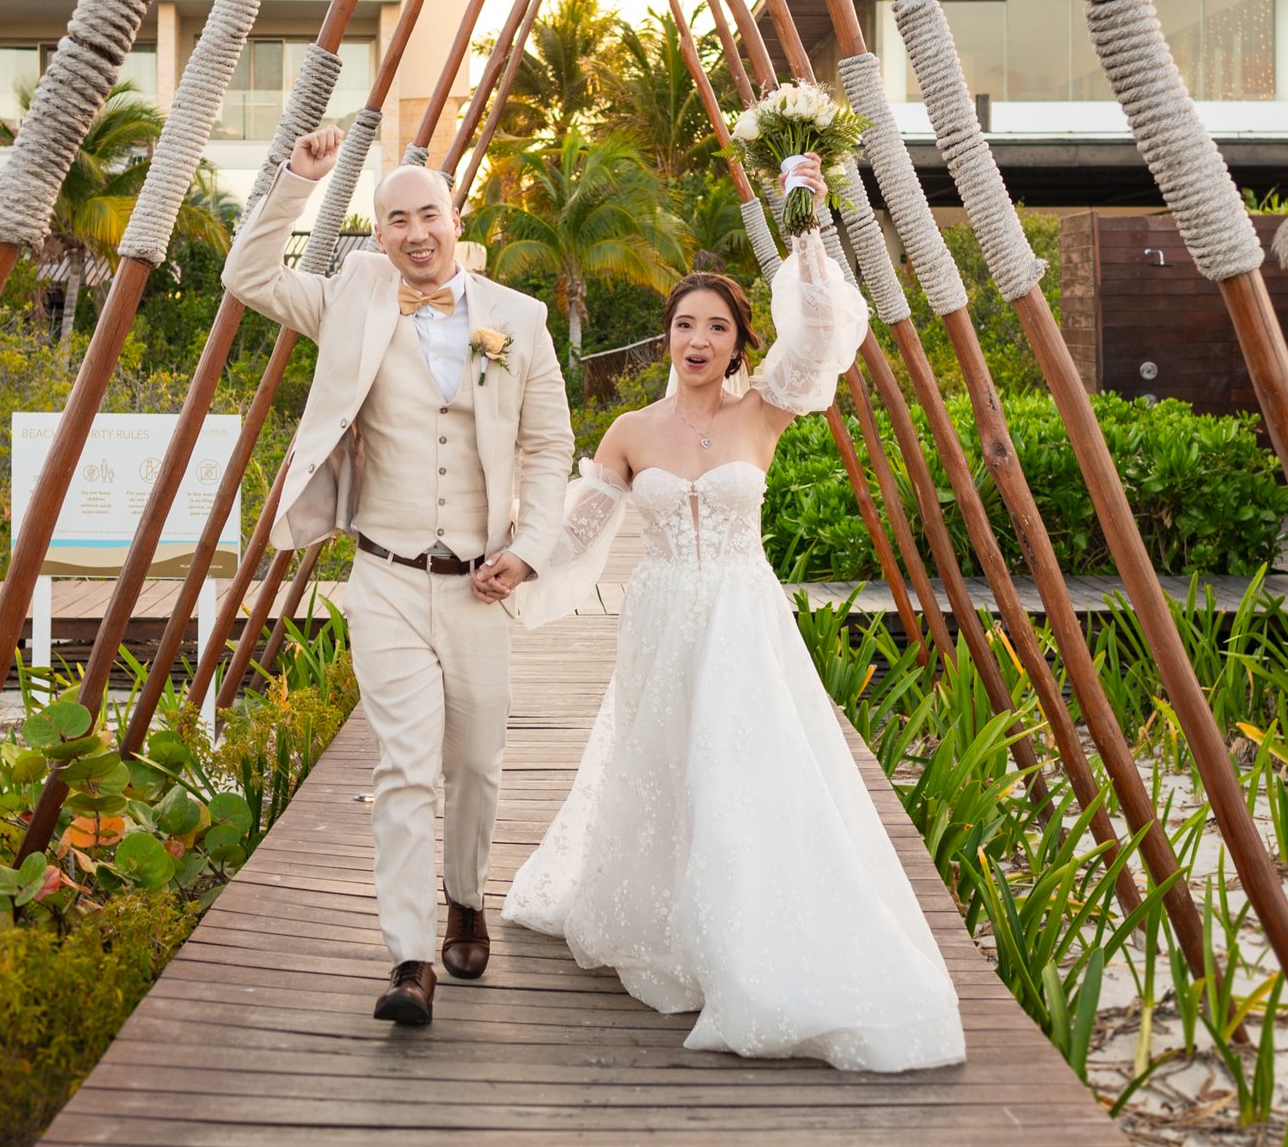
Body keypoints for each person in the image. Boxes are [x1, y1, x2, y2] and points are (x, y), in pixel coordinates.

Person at [503, 167, 967, 1072]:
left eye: (717, 325)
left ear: (739, 340)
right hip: (663, 619)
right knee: (666, 762)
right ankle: (669, 920)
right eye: (685, 323)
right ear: (665, 336)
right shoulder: (631, 430)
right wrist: (516, 564)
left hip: (744, 620)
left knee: (742, 767)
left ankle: (749, 935)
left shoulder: (768, 411)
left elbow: (827, 330)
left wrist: (806, 228)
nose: (698, 338)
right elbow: (578, 527)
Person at [221, 125, 573, 1029]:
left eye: (428, 213)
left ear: (457, 219)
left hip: (479, 583)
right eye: (394, 218)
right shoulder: (353, 299)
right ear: (377, 233)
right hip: (381, 574)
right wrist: (296, 182)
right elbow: (249, 277)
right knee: (406, 763)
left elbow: (548, 446)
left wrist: (529, 547)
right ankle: (411, 953)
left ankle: (465, 896)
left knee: (475, 764)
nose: (414, 231)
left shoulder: (520, 319)